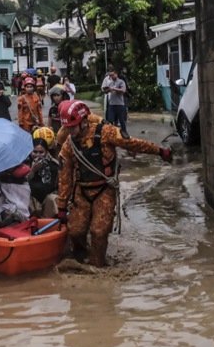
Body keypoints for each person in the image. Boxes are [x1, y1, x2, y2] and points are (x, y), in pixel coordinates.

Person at [56, 100, 172, 267]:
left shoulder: (106, 132)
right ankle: (80, 257)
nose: (71, 131)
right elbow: (65, 176)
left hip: (104, 190)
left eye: (73, 127)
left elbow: (133, 143)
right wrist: (61, 206)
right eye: (68, 128)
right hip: (81, 191)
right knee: (76, 231)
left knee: (99, 231)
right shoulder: (69, 145)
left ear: (83, 122)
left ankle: (98, 267)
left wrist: (159, 151)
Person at [27, 127, 60, 219]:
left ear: (46, 152)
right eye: (35, 152)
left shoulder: (54, 164)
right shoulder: (26, 164)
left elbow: (58, 184)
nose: (37, 155)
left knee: (52, 199)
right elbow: (23, 182)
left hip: (48, 198)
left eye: (41, 152)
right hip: (32, 198)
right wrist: (32, 171)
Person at [101, 68, 129, 137]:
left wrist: (114, 89)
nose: (111, 77)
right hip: (112, 104)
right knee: (111, 120)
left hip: (119, 104)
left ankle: (125, 132)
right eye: (110, 76)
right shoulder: (110, 83)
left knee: (121, 119)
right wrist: (106, 90)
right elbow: (106, 91)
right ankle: (112, 133)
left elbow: (123, 90)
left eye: (112, 75)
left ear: (116, 74)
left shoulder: (121, 82)